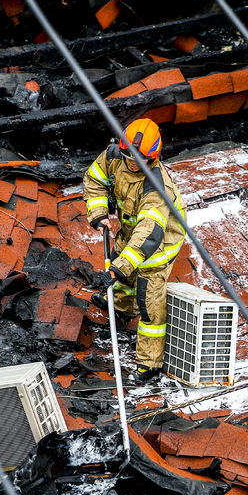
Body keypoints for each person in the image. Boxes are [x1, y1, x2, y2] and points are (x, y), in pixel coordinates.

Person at [84, 117, 186, 386]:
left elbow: (148, 235)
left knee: (149, 301)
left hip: (159, 242)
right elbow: (94, 180)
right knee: (122, 261)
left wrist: (117, 269)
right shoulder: (113, 155)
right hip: (131, 228)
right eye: (127, 156)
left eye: (137, 160)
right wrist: (98, 213)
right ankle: (121, 307)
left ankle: (149, 364)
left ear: (152, 158)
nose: (130, 162)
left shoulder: (156, 187)